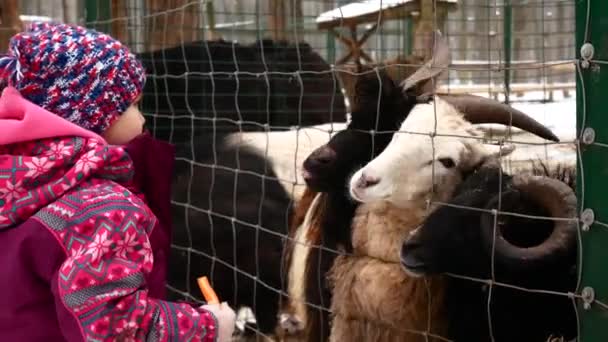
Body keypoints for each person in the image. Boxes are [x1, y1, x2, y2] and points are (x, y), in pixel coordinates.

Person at [0, 22, 236, 341]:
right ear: (91, 114)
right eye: (133, 105)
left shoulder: (17, 182)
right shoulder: (99, 209)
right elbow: (116, 328)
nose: (143, 118)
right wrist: (207, 326)